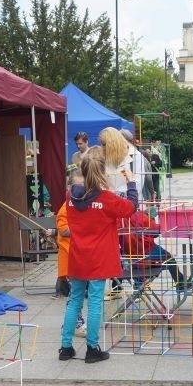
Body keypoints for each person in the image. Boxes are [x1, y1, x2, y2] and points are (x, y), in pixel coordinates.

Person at [59, 147, 137, 363]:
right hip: (99, 258)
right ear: (102, 172)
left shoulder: (70, 196)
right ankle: (92, 349)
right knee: (94, 303)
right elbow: (131, 207)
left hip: (78, 256)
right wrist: (131, 182)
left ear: (83, 171)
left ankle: (65, 348)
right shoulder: (107, 199)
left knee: (74, 300)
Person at [119, 209, 190, 291]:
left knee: (142, 263)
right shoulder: (139, 216)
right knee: (169, 259)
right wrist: (151, 219)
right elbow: (155, 232)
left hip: (131, 257)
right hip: (147, 250)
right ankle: (180, 283)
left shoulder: (118, 219)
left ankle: (138, 286)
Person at [54, 171, 87, 335]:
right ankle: (76, 324)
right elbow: (64, 230)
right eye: (78, 186)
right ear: (69, 188)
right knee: (76, 296)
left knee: (76, 295)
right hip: (69, 260)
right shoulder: (65, 208)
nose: (81, 190)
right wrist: (82, 229)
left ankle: (71, 323)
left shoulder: (77, 205)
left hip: (77, 259)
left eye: (84, 187)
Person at [120, 129, 154, 200]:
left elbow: (146, 178)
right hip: (125, 197)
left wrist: (152, 191)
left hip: (134, 197)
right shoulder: (122, 154)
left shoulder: (137, 155)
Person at [98, 127, 132, 196]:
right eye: (101, 144)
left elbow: (138, 186)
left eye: (104, 144)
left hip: (127, 203)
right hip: (109, 203)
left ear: (113, 144)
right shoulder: (102, 161)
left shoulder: (133, 158)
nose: (101, 147)